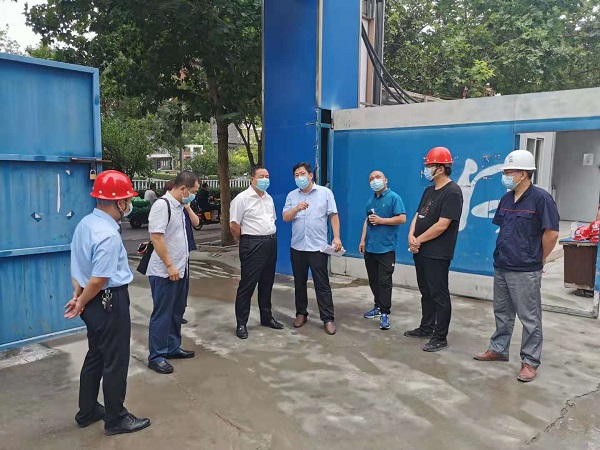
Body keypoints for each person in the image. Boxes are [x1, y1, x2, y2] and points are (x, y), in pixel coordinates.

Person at [66, 170, 151, 436]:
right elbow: (100, 278)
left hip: (93, 302)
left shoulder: (86, 224)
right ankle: (116, 418)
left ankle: (88, 410)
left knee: (96, 355)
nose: (129, 204)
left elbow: (78, 265)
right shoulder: (108, 235)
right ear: (119, 202)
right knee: (115, 360)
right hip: (108, 301)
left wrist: (79, 296)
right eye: (127, 199)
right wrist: (81, 301)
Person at [474, 150, 559, 383]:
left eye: (509, 172)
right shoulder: (506, 199)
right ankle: (498, 349)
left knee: (529, 317)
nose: (506, 176)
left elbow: (551, 233)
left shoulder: (541, 199)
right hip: (502, 263)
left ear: (523, 173)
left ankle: (530, 361)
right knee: (502, 312)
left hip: (526, 268)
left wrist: (540, 258)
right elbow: (503, 228)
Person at [405, 147, 463, 352]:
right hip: (421, 250)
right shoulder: (429, 191)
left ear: (441, 168)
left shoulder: (453, 192)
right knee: (426, 292)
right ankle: (426, 327)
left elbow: (442, 225)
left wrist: (418, 240)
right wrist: (411, 235)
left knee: (439, 294)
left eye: (429, 166)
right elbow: (418, 215)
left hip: (437, 253)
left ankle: (440, 336)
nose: (426, 169)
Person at [146, 171, 199, 374]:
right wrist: (169, 265)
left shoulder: (179, 207)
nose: (194, 195)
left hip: (180, 269)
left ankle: (172, 347)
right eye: (193, 191)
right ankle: (157, 356)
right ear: (183, 188)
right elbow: (156, 237)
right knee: (162, 314)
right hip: (165, 272)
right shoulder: (163, 205)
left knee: (177, 311)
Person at [283, 162, 342, 335]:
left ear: (310, 176)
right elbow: (285, 217)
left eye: (302, 174)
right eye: (296, 175)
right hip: (298, 247)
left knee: (322, 284)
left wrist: (337, 237)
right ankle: (301, 313)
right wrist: (296, 208)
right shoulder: (292, 195)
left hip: (318, 247)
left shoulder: (325, 193)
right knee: (299, 282)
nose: (299, 177)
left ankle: (328, 318)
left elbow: (333, 215)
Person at [230, 166, 284, 339]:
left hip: (270, 242)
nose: (265, 179)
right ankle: (241, 323)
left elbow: (272, 219)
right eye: (261, 176)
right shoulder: (242, 199)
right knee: (248, 284)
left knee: (267, 282)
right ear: (252, 179)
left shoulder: (268, 197)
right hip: (252, 243)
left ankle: (266, 317)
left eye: (267, 176)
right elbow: (234, 225)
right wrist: (244, 241)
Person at [359, 171, 406, 330]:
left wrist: (381, 220)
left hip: (386, 249)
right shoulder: (370, 201)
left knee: (384, 282)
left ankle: (385, 313)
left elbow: (402, 218)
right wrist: (362, 240)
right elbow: (367, 221)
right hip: (370, 248)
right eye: (371, 179)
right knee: (373, 280)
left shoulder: (394, 198)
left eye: (377, 177)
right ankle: (377, 306)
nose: (374, 180)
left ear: (385, 180)